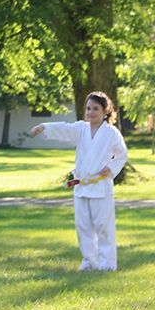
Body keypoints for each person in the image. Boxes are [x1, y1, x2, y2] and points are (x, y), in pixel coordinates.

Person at [30, 91, 128, 271]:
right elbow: (64, 129)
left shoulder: (111, 133)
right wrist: (44, 127)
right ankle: (89, 261)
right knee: (83, 227)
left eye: (95, 109)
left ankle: (107, 264)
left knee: (103, 228)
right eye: (88, 108)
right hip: (81, 186)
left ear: (105, 111)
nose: (91, 112)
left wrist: (112, 168)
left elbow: (122, 154)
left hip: (100, 186)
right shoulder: (81, 129)